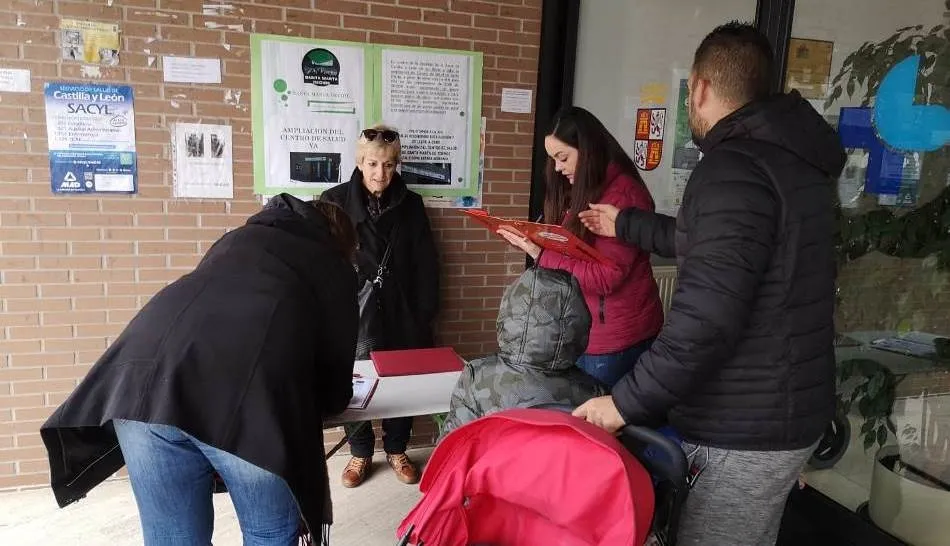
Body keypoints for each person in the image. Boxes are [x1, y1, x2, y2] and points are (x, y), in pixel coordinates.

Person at [574, 22, 846, 546]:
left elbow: (705, 322)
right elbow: (718, 246)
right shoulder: (793, 164)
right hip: (783, 410)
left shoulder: (731, 169)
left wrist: (623, 402)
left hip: (744, 427)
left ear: (698, 87)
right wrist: (625, 224)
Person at [39, 195, 361, 546]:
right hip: (248, 401)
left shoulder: (236, 239)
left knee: (172, 539)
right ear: (340, 240)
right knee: (268, 534)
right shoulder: (332, 265)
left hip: (143, 386)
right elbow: (335, 390)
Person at [497, 106, 664, 388]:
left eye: (563, 158)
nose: (558, 168)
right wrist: (536, 237)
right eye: (553, 160)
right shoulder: (586, 186)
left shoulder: (623, 194)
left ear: (588, 150)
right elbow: (574, 249)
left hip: (615, 338)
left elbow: (605, 277)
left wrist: (541, 254)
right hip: (586, 329)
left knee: (602, 425)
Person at [321, 124, 440, 488]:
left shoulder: (412, 204)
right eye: (373, 164)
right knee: (354, 384)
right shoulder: (334, 200)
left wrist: (424, 315)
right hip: (354, 313)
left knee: (399, 383)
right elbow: (323, 263)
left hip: (402, 312)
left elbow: (427, 264)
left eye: (388, 165)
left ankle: (396, 448)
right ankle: (360, 452)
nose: (380, 173)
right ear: (359, 162)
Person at [441, 267, 606, 437]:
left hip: (495, 463)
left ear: (509, 315)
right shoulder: (594, 394)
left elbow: (451, 447)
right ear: (580, 324)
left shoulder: (478, 377)